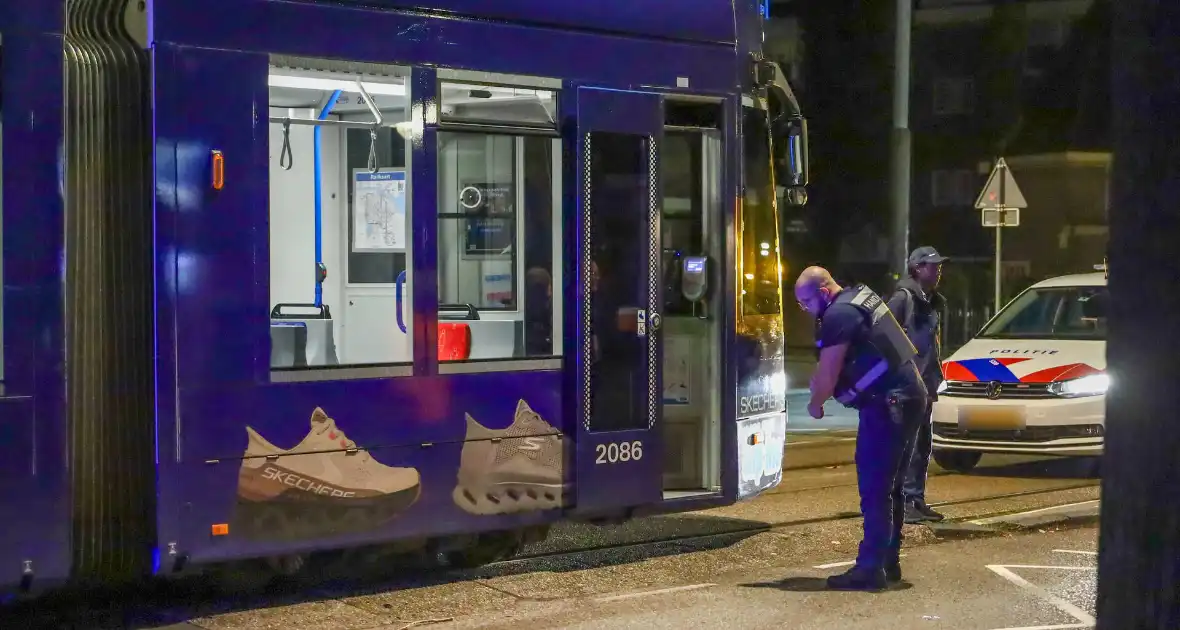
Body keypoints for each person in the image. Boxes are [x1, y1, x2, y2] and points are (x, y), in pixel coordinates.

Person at [795, 266, 928, 590]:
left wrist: (815, 404)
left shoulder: (839, 314)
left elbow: (827, 377)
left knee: (874, 488)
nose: (806, 310)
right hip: (910, 395)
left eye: (805, 302)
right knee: (891, 486)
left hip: (889, 403)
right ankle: (887, 562)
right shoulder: (861, 297)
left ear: (823, 292)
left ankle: (870, 569)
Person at [889, 246, 949, 524]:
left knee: (923, 445)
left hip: (926, 384)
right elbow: (886, 337)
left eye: (939, 266)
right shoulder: (904, 298)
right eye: (932, 266)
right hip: (908, 387)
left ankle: (916, 499)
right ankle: (903, 502)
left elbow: (932, 346)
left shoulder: (933, 300)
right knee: (908, 447)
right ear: (917, 268)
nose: (937, 271)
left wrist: (934, 379)